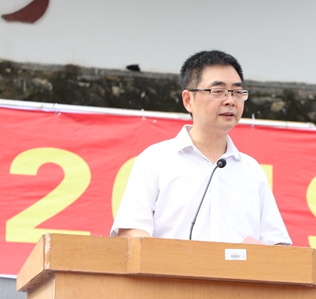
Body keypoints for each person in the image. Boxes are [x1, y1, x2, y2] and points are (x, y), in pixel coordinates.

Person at [111, 50, 291, 245]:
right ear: (188, 100)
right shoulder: (156, 160)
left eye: (238, 92)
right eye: (218, 91)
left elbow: (276, 244)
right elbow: (131, 232)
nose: (230, 100)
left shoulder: (251, 170)